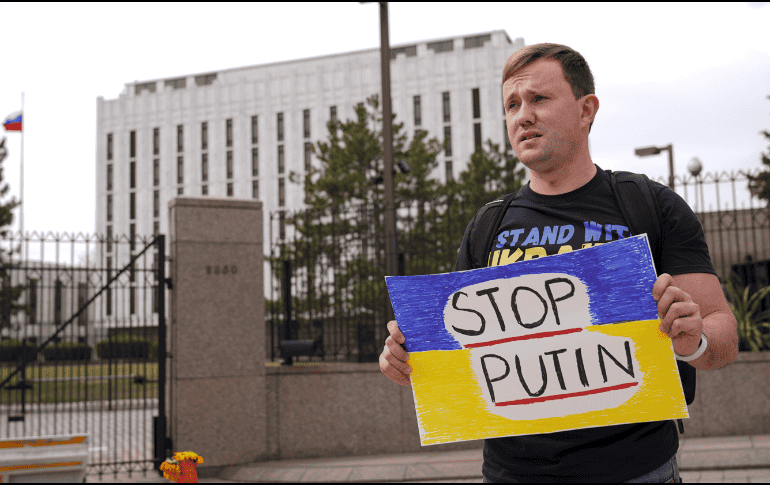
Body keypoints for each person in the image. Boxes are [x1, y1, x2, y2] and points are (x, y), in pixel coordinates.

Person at [379, 43, 739, 483]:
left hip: (637, 470)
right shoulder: (487, 226)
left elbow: (722, 331)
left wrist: (694, 341)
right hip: (511, 473)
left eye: (539, 99)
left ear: (586, 110)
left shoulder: (651, 205)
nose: (522, 116)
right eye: (512, 105)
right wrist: (406, 360)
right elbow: (456, 358)